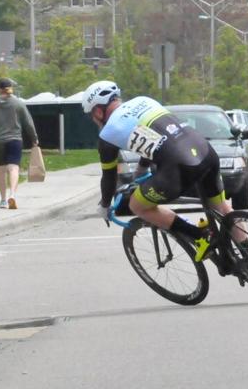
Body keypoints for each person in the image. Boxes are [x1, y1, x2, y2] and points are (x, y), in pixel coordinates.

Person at [84, 80, 235, 262]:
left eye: (91, 115)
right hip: (206, 151)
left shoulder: (107, 134)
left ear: (98, 111)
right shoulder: (144, 101)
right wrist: (142, 167)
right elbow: (156, 137)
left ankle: (199, 235)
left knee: (136, 205)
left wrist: (105, 205)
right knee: (223, 207)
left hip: (179, 169)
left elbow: (109, 177)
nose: (93, 120)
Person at [0, 78, 37, 209]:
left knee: (1, 171)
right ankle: (12, 195)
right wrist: (34, 138)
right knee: (13, 168)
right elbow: (28, 122)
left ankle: (3, 201)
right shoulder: (18, 103)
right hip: (15, 140)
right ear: (10, 88)